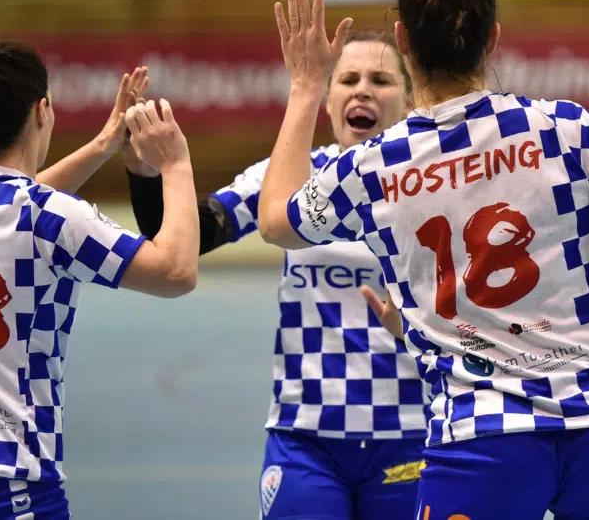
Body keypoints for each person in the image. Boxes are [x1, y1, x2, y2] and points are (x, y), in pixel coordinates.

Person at [255, 0, 589, 520]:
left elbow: (276, 221)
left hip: (480, 436)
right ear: (492, 39)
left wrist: (305, 86)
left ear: (403, 42)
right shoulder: (568, 129)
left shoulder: (373, 167)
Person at [0, 32, 201, 520]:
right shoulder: (51, 218)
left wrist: (104, 144)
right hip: (1, 483)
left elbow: (16, 202)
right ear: (42, 111)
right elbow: (176, 270)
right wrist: (176, 163)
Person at [124, 30, 428, 520]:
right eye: (347, 79)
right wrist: (145, 173)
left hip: (410, 431)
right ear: (327, 99)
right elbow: (188, 236)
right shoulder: (292, 177)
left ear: (409, 99)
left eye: (380, 80)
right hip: (305, 437)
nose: (362, 90)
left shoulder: (429, 181)